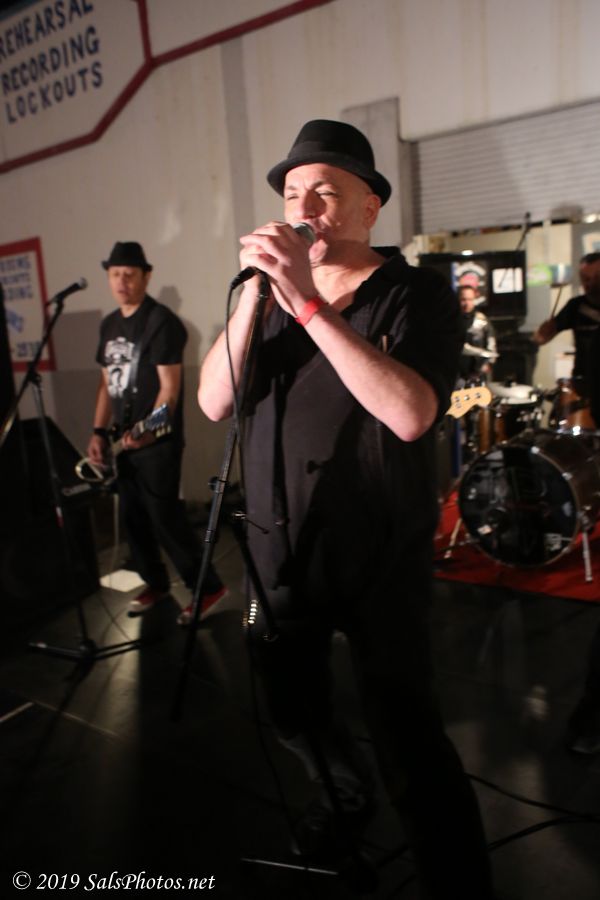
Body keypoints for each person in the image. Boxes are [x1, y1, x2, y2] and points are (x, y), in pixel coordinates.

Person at [198, 120, 493, 897]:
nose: (304, 210)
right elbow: (213, 400)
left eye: (324, 194)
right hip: (281, 545)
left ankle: (456, 878)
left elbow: (412, 414)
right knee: (290, 708)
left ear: (369, 207)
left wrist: (305, 303)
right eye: (292, 194)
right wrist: (258, 295)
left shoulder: (415, 293)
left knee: (407, 735)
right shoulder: (264, 297)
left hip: (380, 553)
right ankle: (343, 793)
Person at [87, 241, 226, 624]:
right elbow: (106, 385)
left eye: (130, 274)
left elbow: (170, 390)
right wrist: (98, 431)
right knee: (133, 519)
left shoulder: (161, 322)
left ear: (146, 277)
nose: (122, 281)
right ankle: (156, 583)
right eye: (115, 274)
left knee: (165, 518)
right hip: (122, 442)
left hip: (157, 443)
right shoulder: (108, 324)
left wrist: (148, 429)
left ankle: (208, 588)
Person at [533, 252, 600, 419]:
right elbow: (540, 338)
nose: (587, 284)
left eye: (593, 278)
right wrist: (543, 332)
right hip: (585, 383)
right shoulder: (576, 306)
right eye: (584, 279)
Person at [457, 283, 497, 383]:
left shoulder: (482, 321)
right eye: (463, 299)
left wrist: (488, 364)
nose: (466, 303)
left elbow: (491, 344)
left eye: (470, 299)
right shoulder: (451, 321)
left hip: (478, 374)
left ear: (475, 300)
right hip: (456, 374)